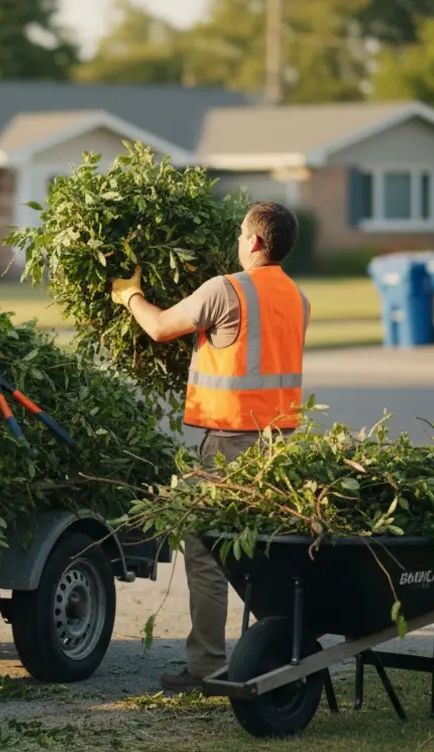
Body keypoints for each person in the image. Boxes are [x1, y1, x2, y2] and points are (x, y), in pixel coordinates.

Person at [109, 201, 312, 692]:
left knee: (205, 553)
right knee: (267, 552)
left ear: (255, 242)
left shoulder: (226, 289)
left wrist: (130, 296)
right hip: (279, 449)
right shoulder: (298, 298)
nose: (237, 240)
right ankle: (280, 650)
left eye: (241, 234)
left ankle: (207, 665)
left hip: (229, 446)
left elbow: (160, 327)